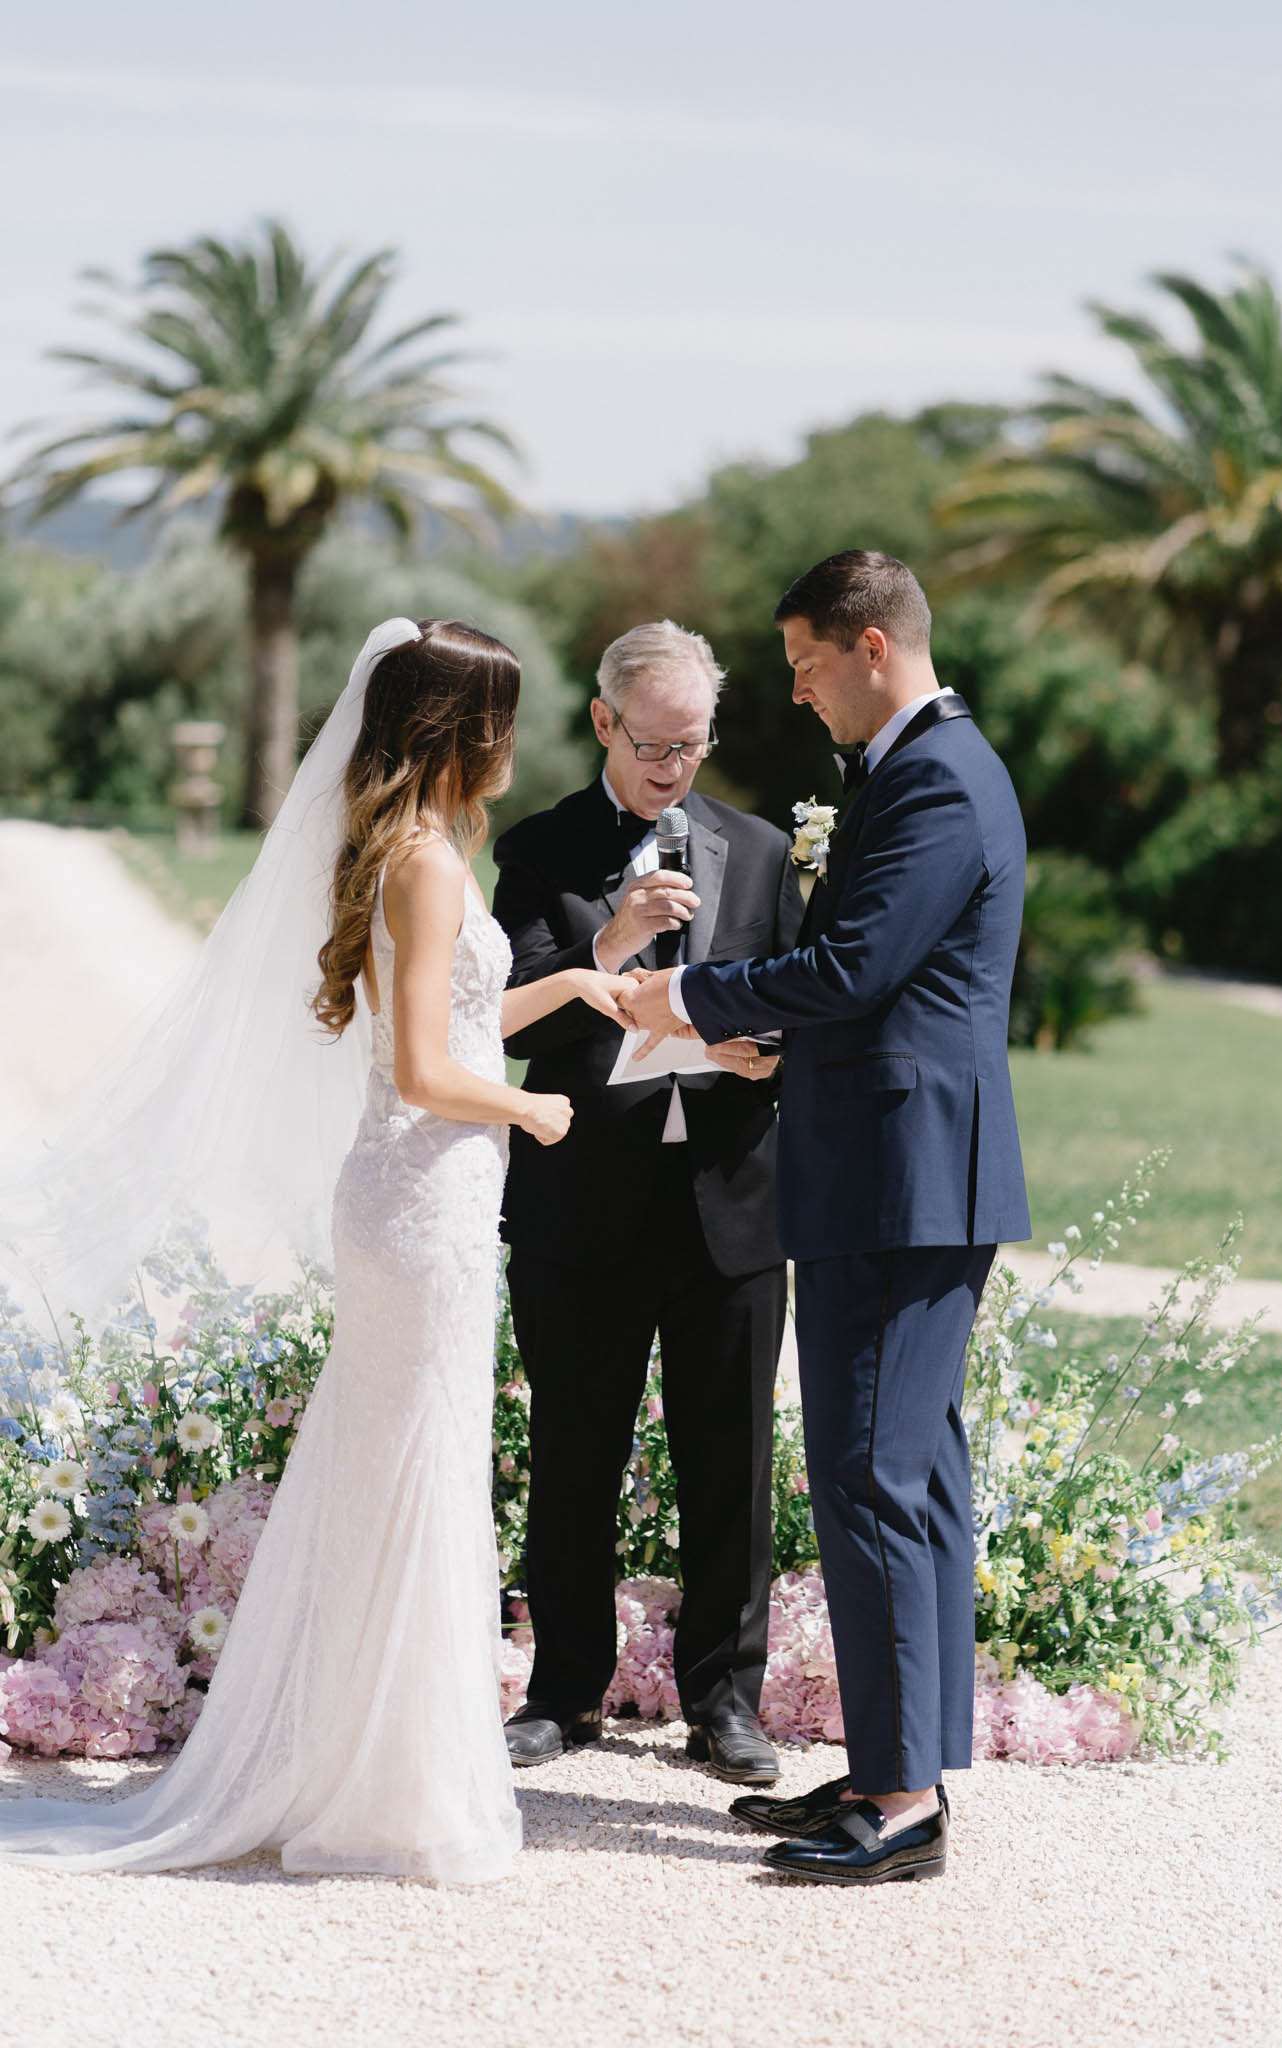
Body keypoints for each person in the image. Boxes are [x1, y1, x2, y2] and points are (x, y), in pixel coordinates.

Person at [0, 618, 630, 1884]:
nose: (516, 742)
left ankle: (379, 1760)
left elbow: (453, 1017)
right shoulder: (429, 864)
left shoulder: (417, 850)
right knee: (412, 1471)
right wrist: (532, 1106)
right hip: (421, 1202)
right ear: (461, 729)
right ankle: (384, 1786)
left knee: (408, 1464)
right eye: (500, 718)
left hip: (425, 1197)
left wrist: (571, 987)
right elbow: (421, 1068)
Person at [621, 553, 1031, 1885]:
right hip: (890, 1162)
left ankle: (903, 1805)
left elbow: (855, 965)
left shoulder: (936, 776)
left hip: (901, 1179)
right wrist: (777, 1045)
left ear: (869, 645)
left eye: (802, 662)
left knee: (872, 1472)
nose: (795, 692)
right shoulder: (913, 770)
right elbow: (878, 985)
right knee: (905, 1474)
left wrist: (691, 1001)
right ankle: (892, 1761)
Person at [491, 621, 805, 1784]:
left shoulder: (764, 849)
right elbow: (511, 1011)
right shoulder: (540, 848)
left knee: (731, 1456)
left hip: (730, 1194)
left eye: (697, 742)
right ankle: (566, 1688)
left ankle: (725, 1702)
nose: (680, 765)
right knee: (577, 1448)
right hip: (585, 1194)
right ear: (603, 722)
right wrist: (614, 937)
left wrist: (770, 1049)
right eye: (659, 742)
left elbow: (796, 993)